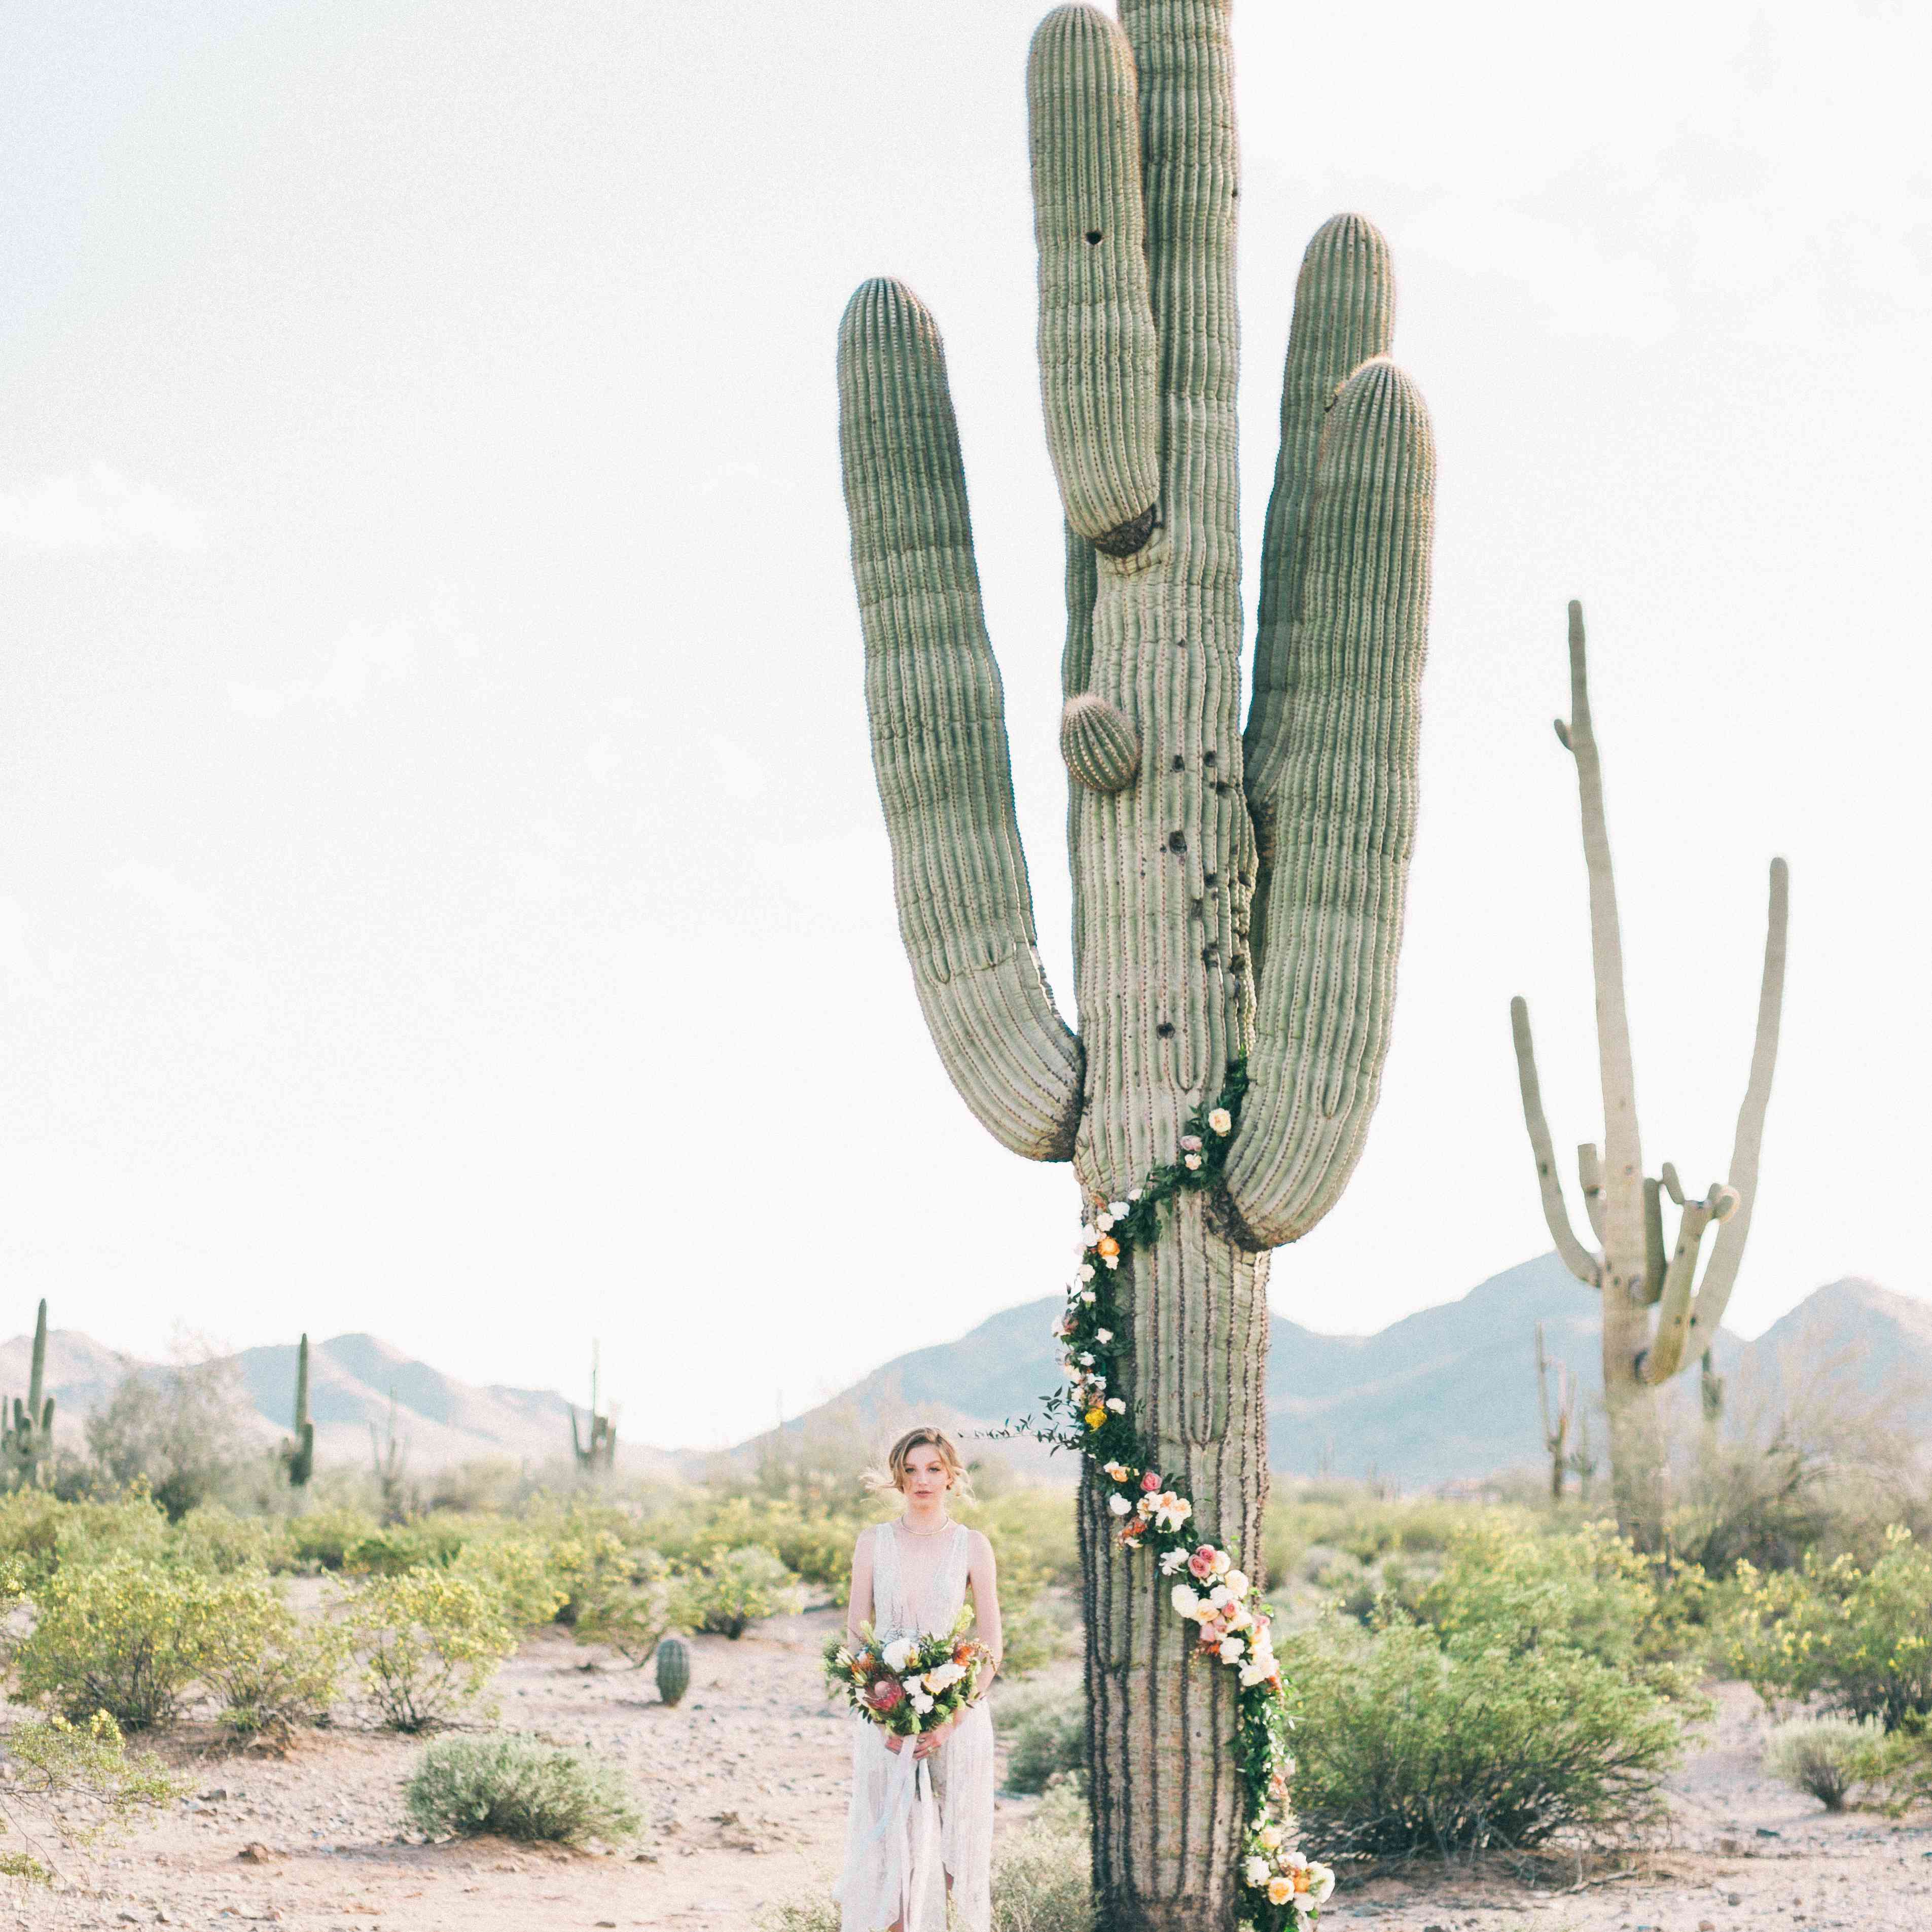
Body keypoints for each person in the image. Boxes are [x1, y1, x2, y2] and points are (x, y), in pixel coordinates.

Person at [833, 1424, 1001, 1932]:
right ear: (898, 1478)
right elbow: (856, 1639)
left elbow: (991, 1644)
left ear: (951, 1476)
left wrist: (950, 1722)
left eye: (933, 1469)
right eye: (910, 1470)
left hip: (957, 1718)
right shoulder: (873, 1543)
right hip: (884, 1717)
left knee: (954, 1847)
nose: (921, 1480)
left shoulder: (972, 1546)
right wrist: (882, 1709)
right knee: (891, 1847)